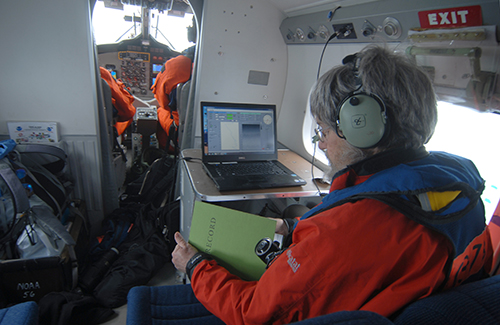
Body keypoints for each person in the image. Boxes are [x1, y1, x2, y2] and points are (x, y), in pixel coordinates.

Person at [171, 45, 493, 324]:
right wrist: (292, 226)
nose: (321, 145)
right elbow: (357, 221)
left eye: (323, 132)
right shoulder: (458, 186)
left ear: (362, 127)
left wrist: (196, 266)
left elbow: (254, 314)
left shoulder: (347, 232)